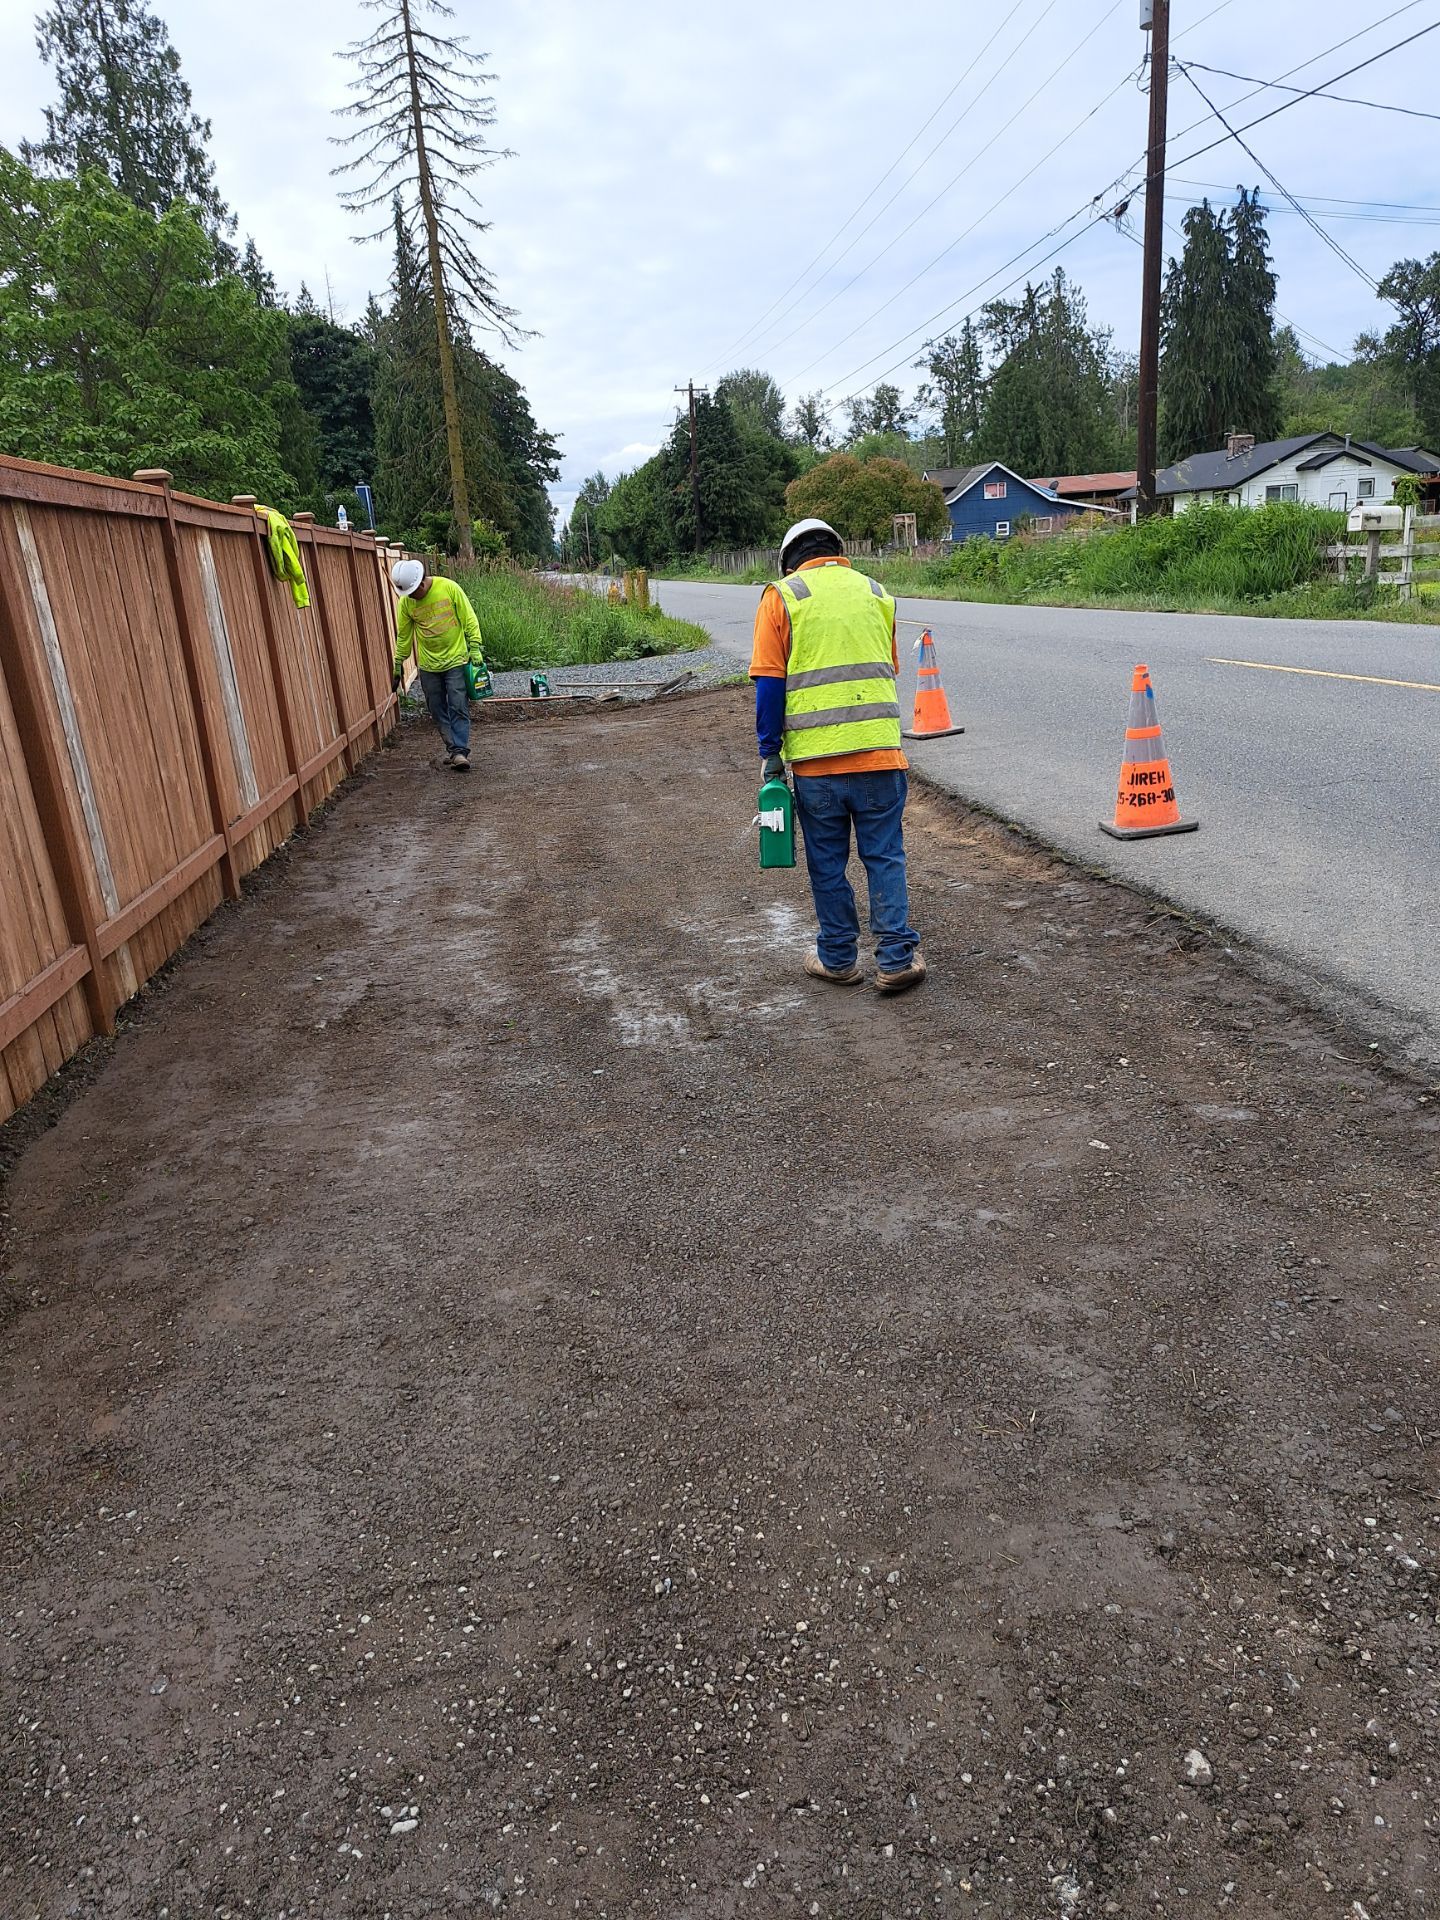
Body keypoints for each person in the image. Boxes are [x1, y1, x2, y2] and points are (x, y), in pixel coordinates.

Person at [749, 518, 924, 993]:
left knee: (827, 863)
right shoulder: (877, 593)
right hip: (880, 759)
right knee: (885, 856)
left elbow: (769, 687)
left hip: (816, 768)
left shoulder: (781, 597)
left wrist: (771, 755)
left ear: (789, 559)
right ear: (838, 551)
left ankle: (839, 958)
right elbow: (886, 667)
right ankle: (894, 960)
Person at [390, 559, 486, 772]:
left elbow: (468, 618)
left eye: (413, 591)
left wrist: (475, 646)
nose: (412, 596)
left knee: (458, 704)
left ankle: (459, 751)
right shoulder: (406, 604)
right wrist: (398, 664)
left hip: (456, 659)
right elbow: (404, 637)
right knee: (436, 708)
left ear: (422, 582)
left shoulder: (449, 588)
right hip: (429, 665)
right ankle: (454, 749)